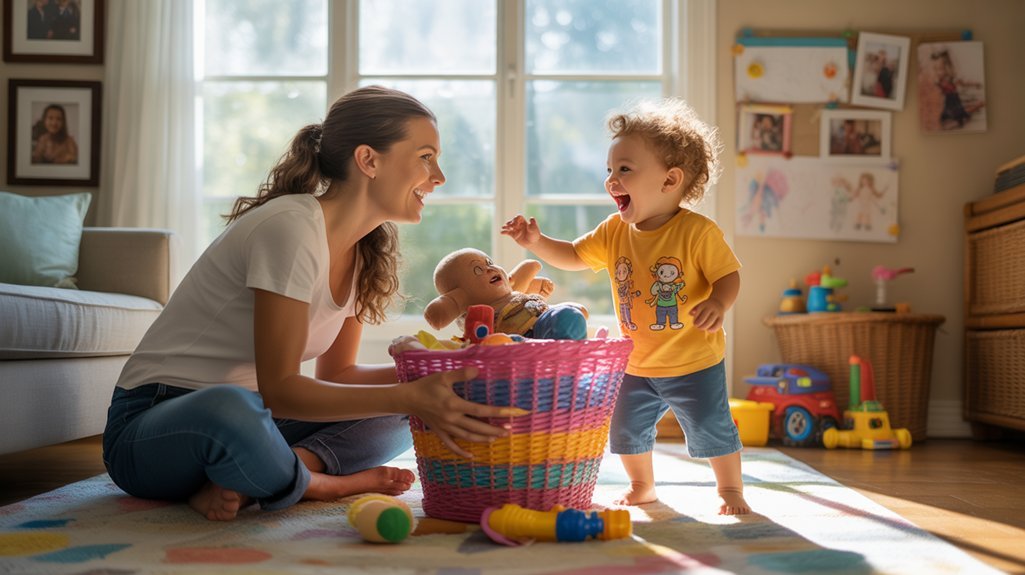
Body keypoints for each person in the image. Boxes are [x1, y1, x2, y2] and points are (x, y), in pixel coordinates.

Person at [103, 86, 523, 522]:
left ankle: (259, 476)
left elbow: (339, 375)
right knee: (232, 406)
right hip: (156, 422)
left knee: (406, 407)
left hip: (260, 419)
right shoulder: (291, 227)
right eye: (425, 157)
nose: (439, 177)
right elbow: (281, 390)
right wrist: (411, 394)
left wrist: (440, 370)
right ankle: (318, 483)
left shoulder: (363, 253)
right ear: (369, 161)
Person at [502, 98, 749, 515]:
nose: (612, 180)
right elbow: (575, 255)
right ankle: (642, 485)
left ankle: (730, 490)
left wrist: (718, 301)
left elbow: (729, 275)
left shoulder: (697, 233)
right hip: (637, 362)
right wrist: (537, 244)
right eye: (610, 170)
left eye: (625, 170)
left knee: (711, 426)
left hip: (694, 360)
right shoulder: (615, 230)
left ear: (670, 180)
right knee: (626, 428)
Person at [424, 247, 588, 340]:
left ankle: (563, 346)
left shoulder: (516, 294)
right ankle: (561, 350)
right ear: (461, 296)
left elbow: (533, 303)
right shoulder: (481, 314)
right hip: (518, 344)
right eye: (478, 270)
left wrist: (547, 296)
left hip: (543, 327)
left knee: (571, 314)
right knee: (502, 343)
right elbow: (439, 313)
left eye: (489, 263)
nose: (489, 268)